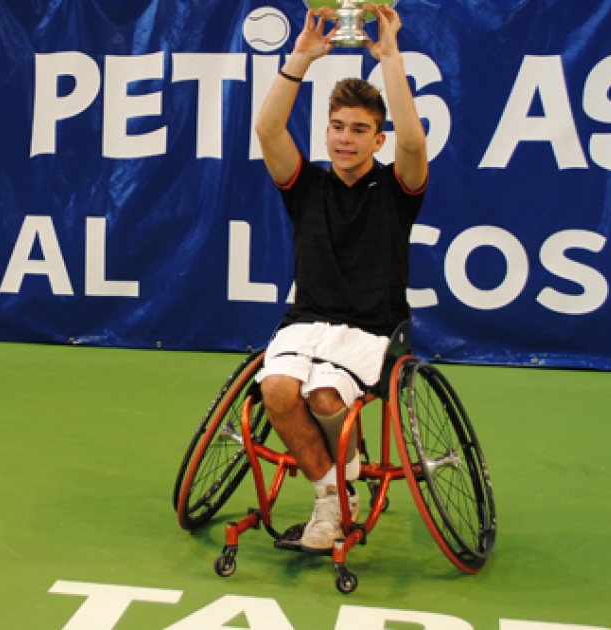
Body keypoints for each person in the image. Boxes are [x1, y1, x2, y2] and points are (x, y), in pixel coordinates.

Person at [254, 4, 428, 551]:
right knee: (277, 390)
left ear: (378, 140)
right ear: (326, 132)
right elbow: (267, 127)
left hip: (373, 330)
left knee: (327, 396)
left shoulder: (397, 191)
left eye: (360, 130)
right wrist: (301, 58)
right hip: (306, 323)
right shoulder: (305, 186)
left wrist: (390, 58)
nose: (345, 138)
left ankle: (332, 499)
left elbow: (415, 145)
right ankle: (337, 493)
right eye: (337, 127)